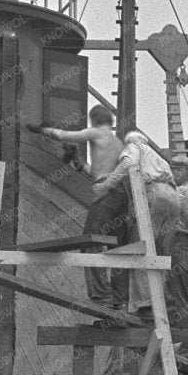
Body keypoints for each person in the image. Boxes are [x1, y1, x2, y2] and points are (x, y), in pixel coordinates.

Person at [31, 104, 128, 310]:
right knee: (117, 246)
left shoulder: (95, 132)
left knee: (90, 240)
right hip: (121, 194)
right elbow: (99, 170)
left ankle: (101, 294)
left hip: (107, 193)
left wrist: (42, 130)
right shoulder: (116, 142)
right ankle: (119, 299)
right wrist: (79, 163)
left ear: (94, 120)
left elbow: (65, 135)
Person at [164, 153, 188, 337]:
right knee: (173, 295)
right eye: (173, 169)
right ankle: (179, 340)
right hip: (175, 244)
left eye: (179, 169)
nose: (175, 173)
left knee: (182, 297)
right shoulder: (182, 191)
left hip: (183, 244)